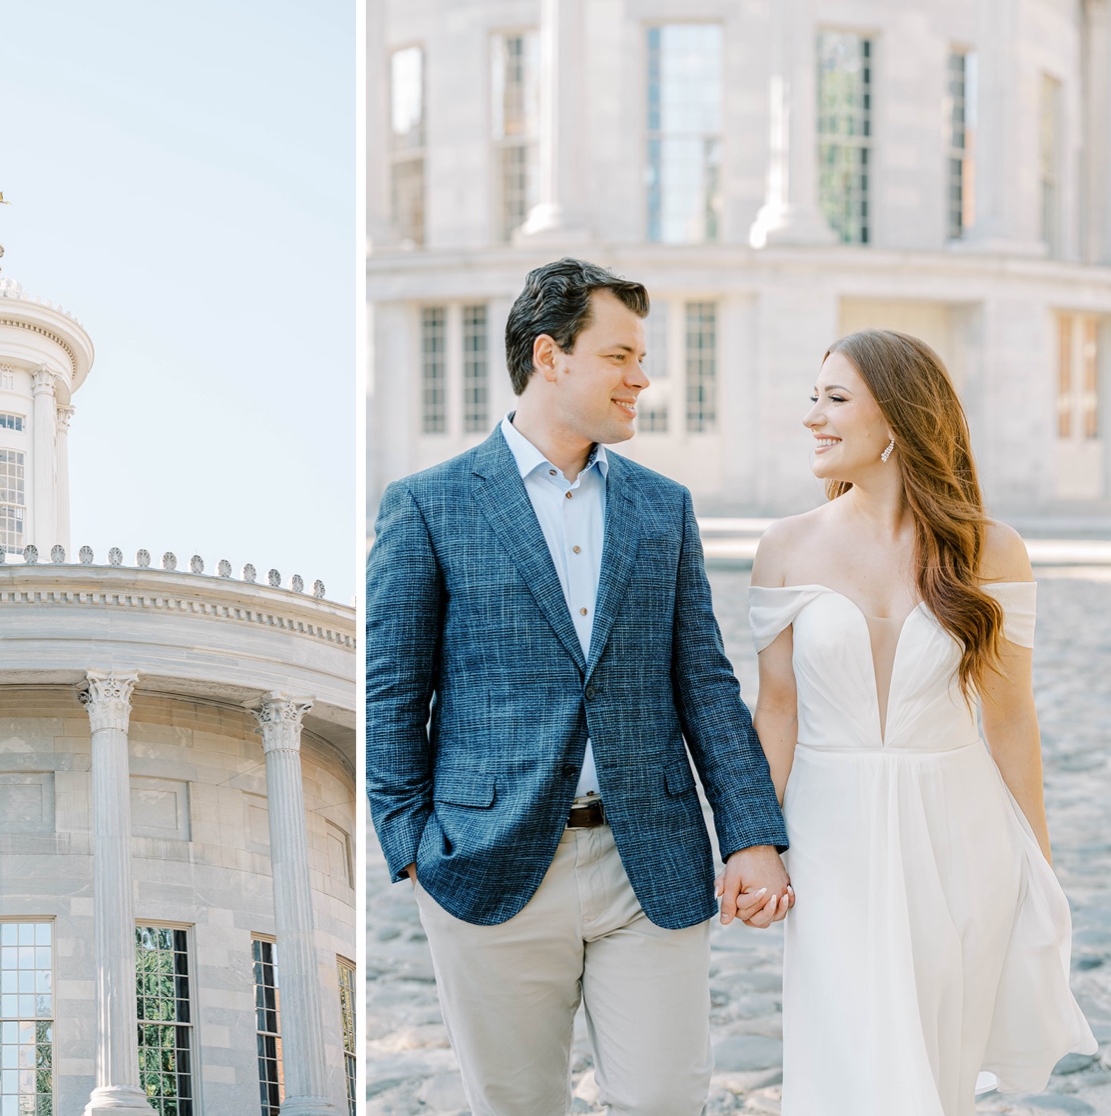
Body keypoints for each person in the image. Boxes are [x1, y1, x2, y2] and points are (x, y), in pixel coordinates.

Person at [366, 257, 793, 1116]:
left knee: (667, 1102)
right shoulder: (428, 504)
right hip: (489, 869)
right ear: (551, 356)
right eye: (621, 355)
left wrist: (751, 834)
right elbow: (390, 690)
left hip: (652, 867)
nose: (643, 377)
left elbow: (704, 683)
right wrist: (412, 843)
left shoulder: (661, 507)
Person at [741, 329, 1097, 1115]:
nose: (813, 418)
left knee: (932, 1067)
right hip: (830, 837)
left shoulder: (990, 551)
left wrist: (1034, 867)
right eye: (814, 397)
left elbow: (1009, 718)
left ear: (897, 422)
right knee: (844, 1057)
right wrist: (753, 842)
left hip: (959, 839)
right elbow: (777, 710)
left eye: (835, 399)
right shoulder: (785, 548)